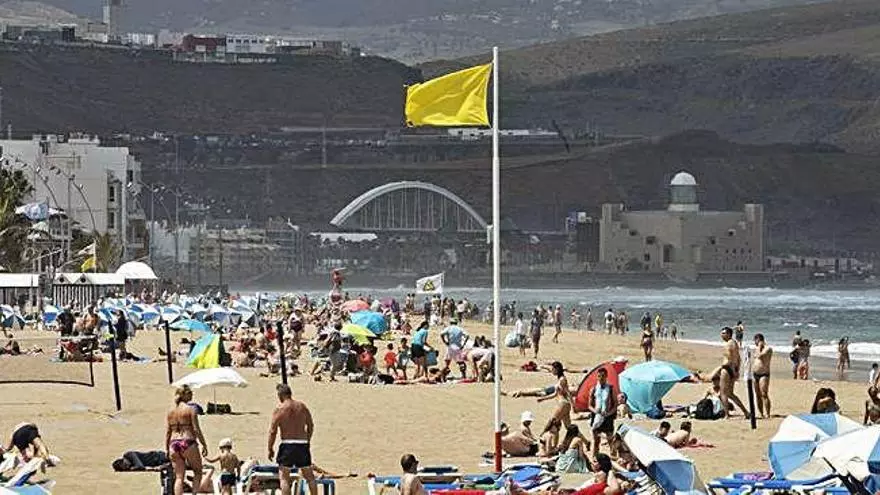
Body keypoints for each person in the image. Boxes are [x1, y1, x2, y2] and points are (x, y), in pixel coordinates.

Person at [268, 383, 317, 495]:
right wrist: (308, 440)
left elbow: (272, 431)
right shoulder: (302, 406)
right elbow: (310, 425)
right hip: (302, 444)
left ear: (280, 395)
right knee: (310, 477)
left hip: (288, 444)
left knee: (284, 477)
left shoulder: (279, 409)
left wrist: (270, 448)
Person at [166, 386, 209, 495]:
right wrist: (204, 444)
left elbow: (168, 432)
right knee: (198, 472)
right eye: (190, 393)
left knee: (179, 477)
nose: (192, 395)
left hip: (174, 443)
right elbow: (196, 429)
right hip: (188, 442)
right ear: (184, 395)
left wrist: (166, 448)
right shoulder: (191, 409)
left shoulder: (170, 412)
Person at [718, 327, 749, 418]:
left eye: (723, 333)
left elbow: (731, 358)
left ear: (729, 334)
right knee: (730, 394)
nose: (721, 335)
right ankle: (745, 412)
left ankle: (726, 414)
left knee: (723, 393)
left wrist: (731, 369)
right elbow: (738, 358)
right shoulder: (734, 343)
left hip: (727, 368)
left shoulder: (729, 344)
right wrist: (736, 370)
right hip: (732, 369)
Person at [588, 367, 617, 457]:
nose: (601, 378)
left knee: (610, 440)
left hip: (608, 417)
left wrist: (609, 413)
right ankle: (595, 458)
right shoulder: (593, 389)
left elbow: (615, 405)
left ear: (606, 376)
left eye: (603, 376)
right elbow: (589, 405)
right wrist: (595, 411)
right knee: (596, 440)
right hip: (597, 416)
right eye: (599, 376)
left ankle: (613, 456)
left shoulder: (611, 389)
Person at [538, 361, 573, 428]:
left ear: (557, 369)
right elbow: (555, 394)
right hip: (564, 404)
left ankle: (542, 434)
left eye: (553, 369)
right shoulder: (560, 379)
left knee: (552, 422)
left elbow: (568, 392)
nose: (551, 371)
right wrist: (543, 399)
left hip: (563, 404)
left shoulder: (562, 380)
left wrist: (574, 406)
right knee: (568, 427)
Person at [752, 333, 773, 419]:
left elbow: (759, 356)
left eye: (756, 341)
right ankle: (761, 413)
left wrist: (760, 346)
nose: (755, 343)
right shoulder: (756, 349)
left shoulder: (768, 349)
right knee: (757, 395)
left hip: (764, 374)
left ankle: (768, 413)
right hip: (755, 374)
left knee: (764, 394)